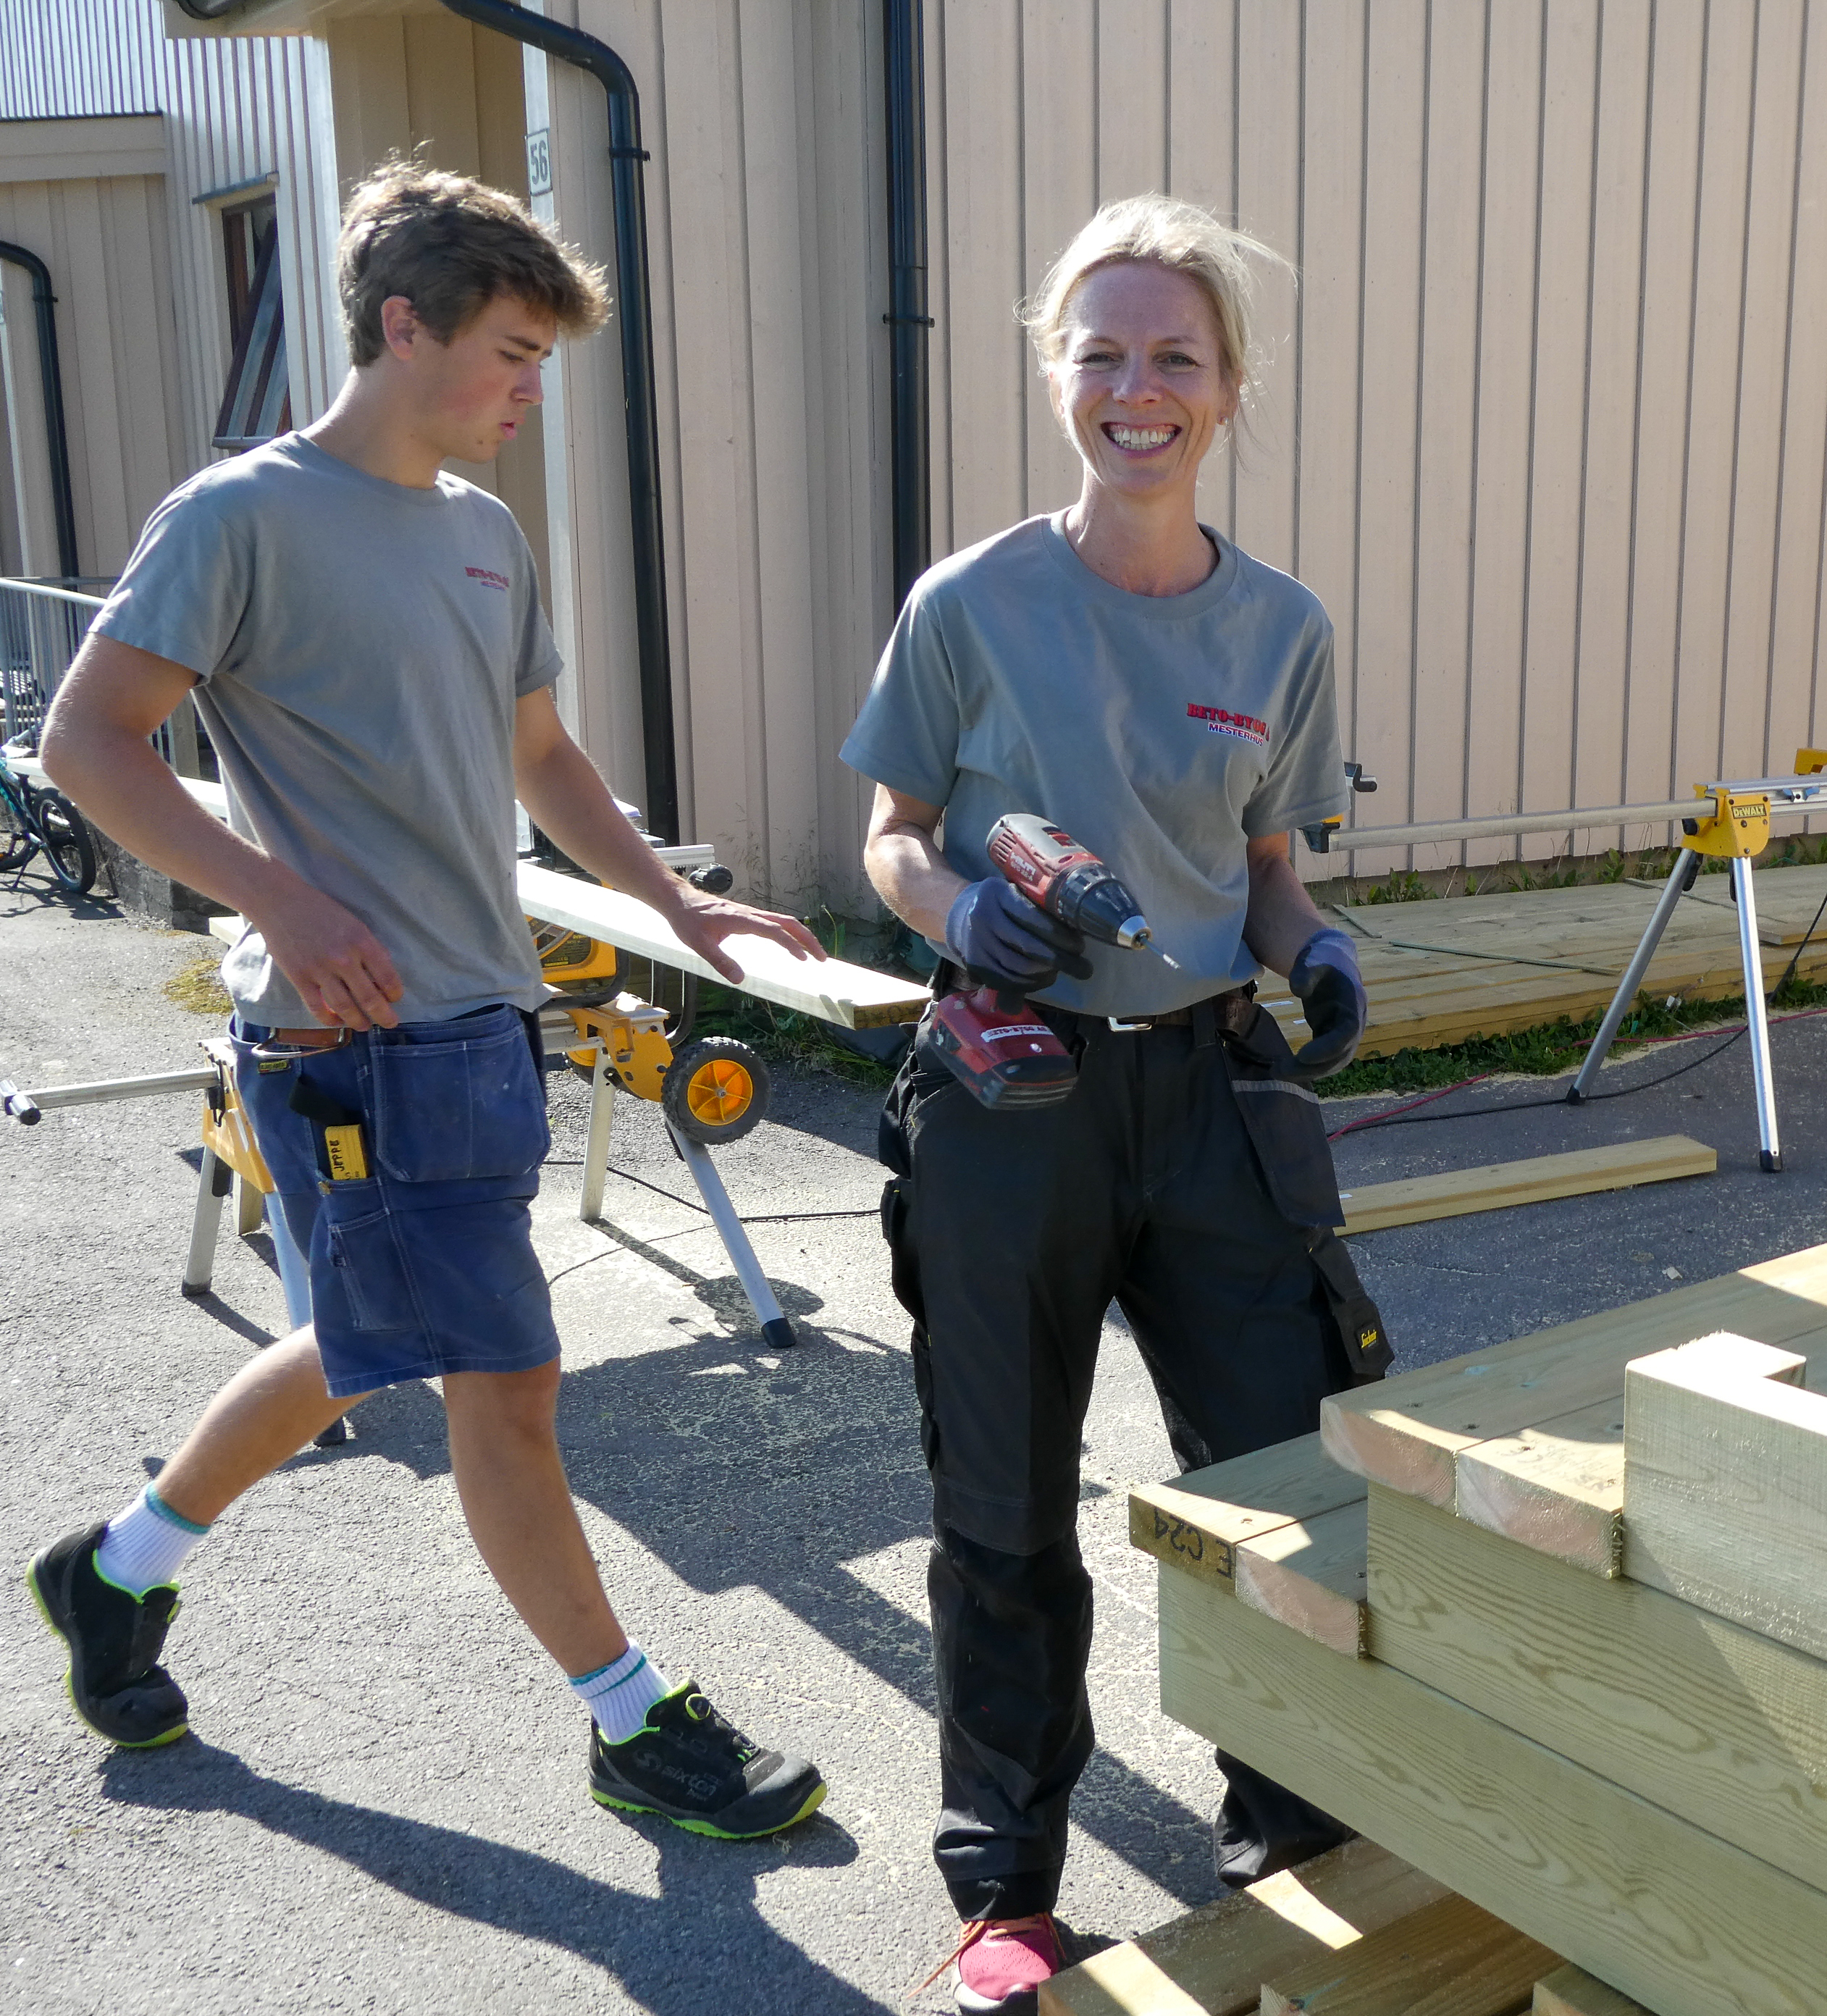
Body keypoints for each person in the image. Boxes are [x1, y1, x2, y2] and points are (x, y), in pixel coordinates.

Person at [28, 164, 829, 1843]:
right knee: (507, 1379)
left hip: (473, 1022)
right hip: (350, 1042)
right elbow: (86, 744)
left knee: (362, 1349)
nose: (533, 393)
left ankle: (117, 1575)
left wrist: (669, 901)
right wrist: (278, 896)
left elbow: (540, 756)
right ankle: (630, 1719)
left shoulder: (482, 535)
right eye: (516, 353)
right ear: (405, 327)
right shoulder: (240, 515)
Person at [844, 195, 1389, 2015]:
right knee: (1000, 1503)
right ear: (1053, 372)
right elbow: (890, 842)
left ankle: (1291, 1836)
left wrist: (1309, 954)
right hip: (1012, 1097)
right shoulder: (972, 602)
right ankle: (1005, 1888)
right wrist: (956, 915)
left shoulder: (1282, 627)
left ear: (1228, 386)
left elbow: (1270, 865)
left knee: (1278, 1479)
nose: (1133, 388)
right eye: (1100, 353)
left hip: (1210, 1101)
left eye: (1174, 356)